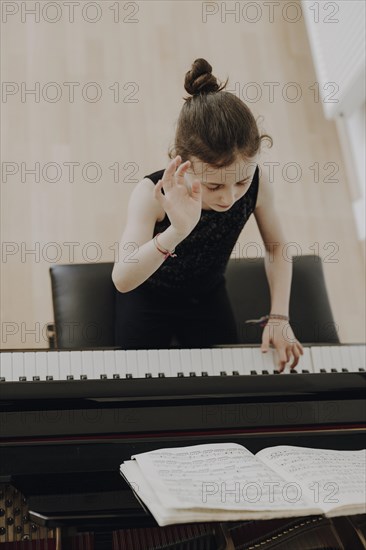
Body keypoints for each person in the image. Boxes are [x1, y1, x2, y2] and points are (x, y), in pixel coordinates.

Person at [112, 58, 304, 371]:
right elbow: (122, 279)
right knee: (139, 388)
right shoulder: (152, 194)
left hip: (206, 294)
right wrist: (177, 230)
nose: (229, 197)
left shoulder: (257, 184)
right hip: (147, 295)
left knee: (223, 384)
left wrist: (280, 317)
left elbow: (277, 247)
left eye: (241, 181)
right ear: (180, 163)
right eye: (214, 185)